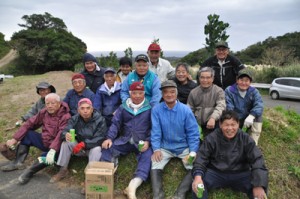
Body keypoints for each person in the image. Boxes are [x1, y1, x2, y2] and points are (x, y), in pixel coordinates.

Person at [192, 110, 268, 199]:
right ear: (220, 125)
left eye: (233, 125)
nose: (230, 129)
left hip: (240, 173)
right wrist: (197, 177)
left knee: (259, 188)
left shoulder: (245, 138)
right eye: (226, 125)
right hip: (216, 173)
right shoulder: (212, 138)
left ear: (238, 124)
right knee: (198, 185)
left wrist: (258, 185)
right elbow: (202, 157)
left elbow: (257, 159)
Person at [1, 93, 71, 185]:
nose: (49, 106)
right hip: (45, 141)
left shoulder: (66, 116)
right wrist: (15, 139)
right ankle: (18, 162)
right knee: (27, 134)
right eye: (47, 103)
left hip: (57, 147)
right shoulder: (44, 112)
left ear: (59, 103)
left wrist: (53, 150)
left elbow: (60, 134)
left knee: (46, 157)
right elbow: (29, 123)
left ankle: (30, 171)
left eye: (53, 103)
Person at [101, 82, 152, 199]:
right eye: (134, 93)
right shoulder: (123, 107)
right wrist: (109, 138)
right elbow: (115, 124)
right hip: (125, 140)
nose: (137, 96)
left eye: (140, 93)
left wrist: (148, 141)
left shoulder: (150, 108)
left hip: (141, 142)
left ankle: (133, 186)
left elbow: (154, 128)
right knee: (108, 148)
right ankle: (107, 177)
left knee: (148, 156)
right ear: (130, 94)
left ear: (144, 94)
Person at [151, 80, 200, 199]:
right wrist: (156, 149)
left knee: (197, 167)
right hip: (165, 147)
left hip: (184, 147)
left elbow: (193, 133)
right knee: (154, 164)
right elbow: (155, 131)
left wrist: (193, 151)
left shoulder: (186, 110)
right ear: (162, 95)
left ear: (176, 94)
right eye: (166, 92)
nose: (169, 95)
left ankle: (180, 193)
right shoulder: (156, 110)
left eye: (172, 92)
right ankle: (158, 194)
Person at [50, 98, 107, 186]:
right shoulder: (74, 118)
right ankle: (63, 170)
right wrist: (65, 134)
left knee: (97, 149)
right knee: (66, 142)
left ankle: (90, 177)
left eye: (88, 108)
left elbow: (100, 138)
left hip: (90, 148)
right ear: (78, 110)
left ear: (92, 109)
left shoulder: (100, 119)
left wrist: (84, 144)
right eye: (82, 108)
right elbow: (65, 130)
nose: (85, 111)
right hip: (78, 148)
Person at [225, 69, 264, 145]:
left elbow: (259, 104)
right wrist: (234, 119)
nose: (243, 83)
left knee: (258, 116)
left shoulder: (254, 91)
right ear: (237, 80)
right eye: (241, 80)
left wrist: (251, 115)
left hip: (249, 118)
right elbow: (229, 106)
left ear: (250, 82)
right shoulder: (229, 90)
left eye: (246, 81)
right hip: (235, 117)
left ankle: (253, 144)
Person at [187, 67, 226, 136]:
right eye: (202, 77)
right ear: (199, 78)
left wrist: (213, 118)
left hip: (214, 123)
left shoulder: (218, 91)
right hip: (197, 124)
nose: (205, 80)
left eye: (208, 78)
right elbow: (189, 109)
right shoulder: (193, 92)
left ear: (212, 79)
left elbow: (221, 106)